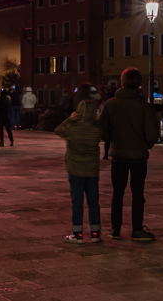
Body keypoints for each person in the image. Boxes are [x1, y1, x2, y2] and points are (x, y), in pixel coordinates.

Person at [98, 68, 159, 241]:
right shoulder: (144, 106)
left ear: (122, 82)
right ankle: (137, 229)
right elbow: (152, 133)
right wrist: (146, 144)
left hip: (118, 154)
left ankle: (115, 228)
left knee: (118, 193)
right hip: (138, 155)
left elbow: (101, 128)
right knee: (138, 193)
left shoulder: (111, 104)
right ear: (139, 85)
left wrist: (111, 140)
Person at [55, 98, 104, 244]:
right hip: (92, 170)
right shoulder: (96, 130)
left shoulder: (72, 129)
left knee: (77, 202)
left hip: (75, 169)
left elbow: (58, 130)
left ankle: (77, 233)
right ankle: (95, 233)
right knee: (93, 202)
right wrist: (97, 121)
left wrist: (69, 120)